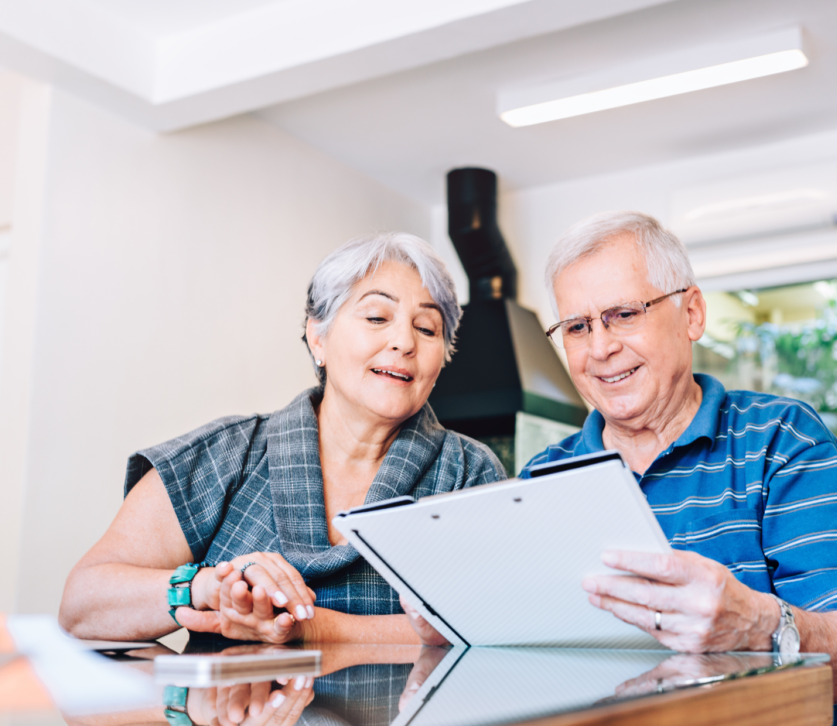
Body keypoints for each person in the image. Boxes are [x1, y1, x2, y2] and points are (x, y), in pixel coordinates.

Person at [404, 211, 837, 726]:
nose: (600, 348)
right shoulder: (542, 477)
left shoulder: (782, 438)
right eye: (576, 327)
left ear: (691, 314)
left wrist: (758, 626)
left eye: (623, 314)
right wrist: (464, 637)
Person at [59, 232, 506, 645]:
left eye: (427, 329)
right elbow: (81, 605)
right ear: (318, 337)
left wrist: (311, 627)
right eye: (376, 316)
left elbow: (496, 625)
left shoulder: (469, 473)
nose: (404, 341)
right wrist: (209, 586)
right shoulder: (228, 453)